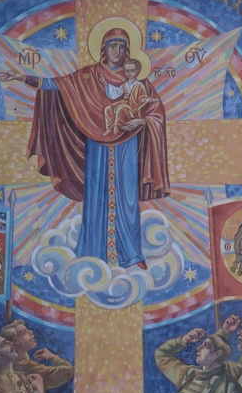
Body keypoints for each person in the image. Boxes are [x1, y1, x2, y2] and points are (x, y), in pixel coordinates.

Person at [15, 24, 172, 268]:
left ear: (128, 50)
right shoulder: (86, 77)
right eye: (113, 45)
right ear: (104, 48)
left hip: (128, 145)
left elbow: (156, 113)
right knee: (96, 196)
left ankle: (132, 254)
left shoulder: (138, 82)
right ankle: (92, 252)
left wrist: (140, 121)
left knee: (128, 199)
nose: (117, 50)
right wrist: (23, 78)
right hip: (96, 144)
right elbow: (57, 86)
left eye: (122, 46)